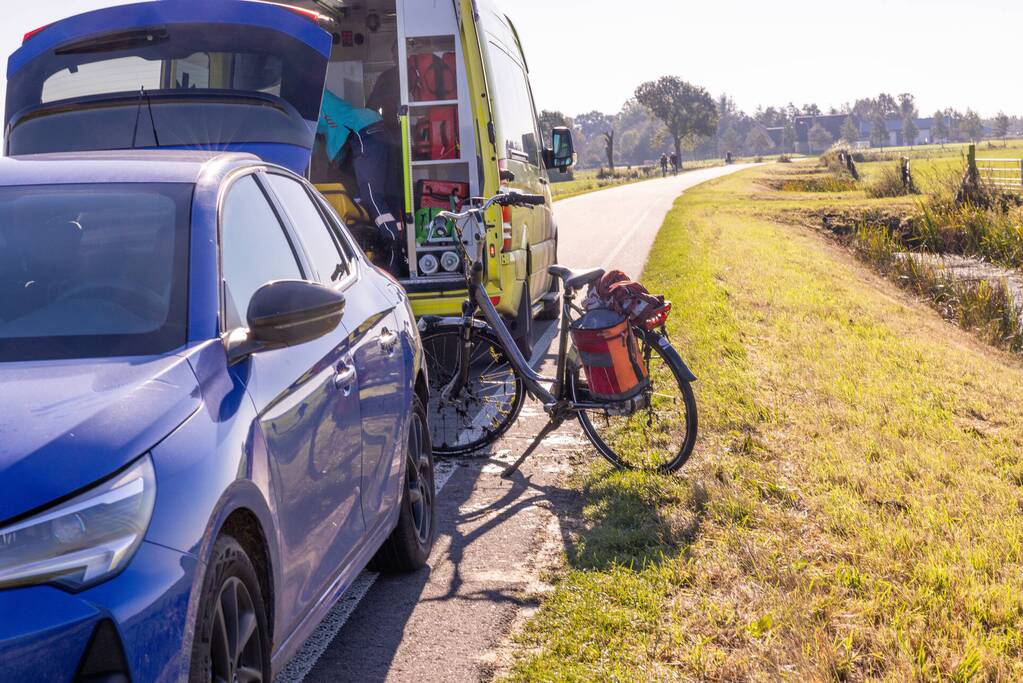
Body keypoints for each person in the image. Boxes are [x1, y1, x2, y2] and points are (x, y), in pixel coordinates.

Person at [318, 89, 400, 271]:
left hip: (362, 131)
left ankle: (392, 247)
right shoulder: (321, 95)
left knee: (371, 195)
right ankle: (396, 245)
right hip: (375, 126)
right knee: (385, 195)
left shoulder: (309, 100)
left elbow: (317, 143)